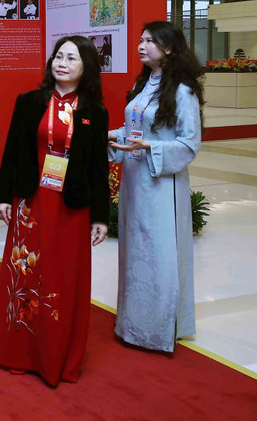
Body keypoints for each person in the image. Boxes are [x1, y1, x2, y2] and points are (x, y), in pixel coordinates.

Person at [0, 36, 109, 386]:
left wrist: (101, 216)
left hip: (71, 206)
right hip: (32, 203)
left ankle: (56, 355)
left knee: (62, 278)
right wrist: (4, 197)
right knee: (26, 274)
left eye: (71, 58)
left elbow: (98, 167)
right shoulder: (30, 101)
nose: (62, 63)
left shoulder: (94, 111)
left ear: (86, 67)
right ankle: (21, 352)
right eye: (58, 56)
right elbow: (12, 150)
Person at [109, 21, 203, 352]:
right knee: (134, 250)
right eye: (141, 39)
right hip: (135, 182)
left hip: (161, 185)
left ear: (169, 48)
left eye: (150, 40)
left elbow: (189, 143)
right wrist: (112, 136)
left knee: (159, 253)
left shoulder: (183, 91)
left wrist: (149, 147)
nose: (141, 45)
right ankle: (133, 323)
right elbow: (134, 129)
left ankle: (157, 329)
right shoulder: (142, 84)